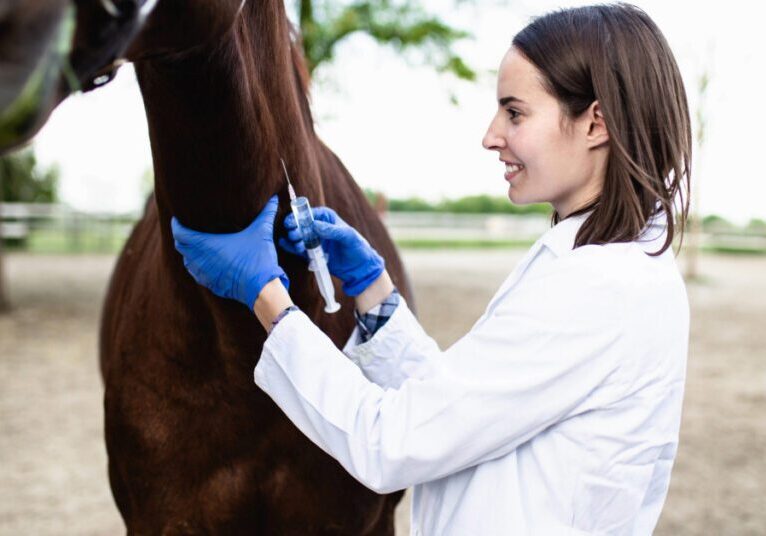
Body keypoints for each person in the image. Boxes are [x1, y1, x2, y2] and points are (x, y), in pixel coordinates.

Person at [170, 3, 691, 534]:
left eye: (515, 113)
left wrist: (266, 297)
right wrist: (375, 297)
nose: (491, 136)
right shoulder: (601, 266)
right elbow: (464, 415)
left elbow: (391, 444)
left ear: (595, 123)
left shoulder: (599, 289)